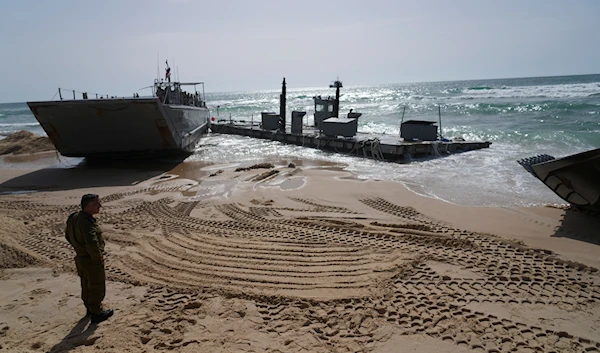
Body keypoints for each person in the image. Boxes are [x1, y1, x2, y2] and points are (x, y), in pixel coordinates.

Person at [65, 194, 114, 324]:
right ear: (89, 206)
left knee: (86, 284)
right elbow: (92, 243)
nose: (100, 206)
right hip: (90, 259)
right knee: (96, 286)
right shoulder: (86, 222)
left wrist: (78, 248)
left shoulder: (74, 217)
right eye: (97, 204)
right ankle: (97, 313)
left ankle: (90, 309)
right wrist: (97, 258)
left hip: (80, 258)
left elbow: (67, 236)